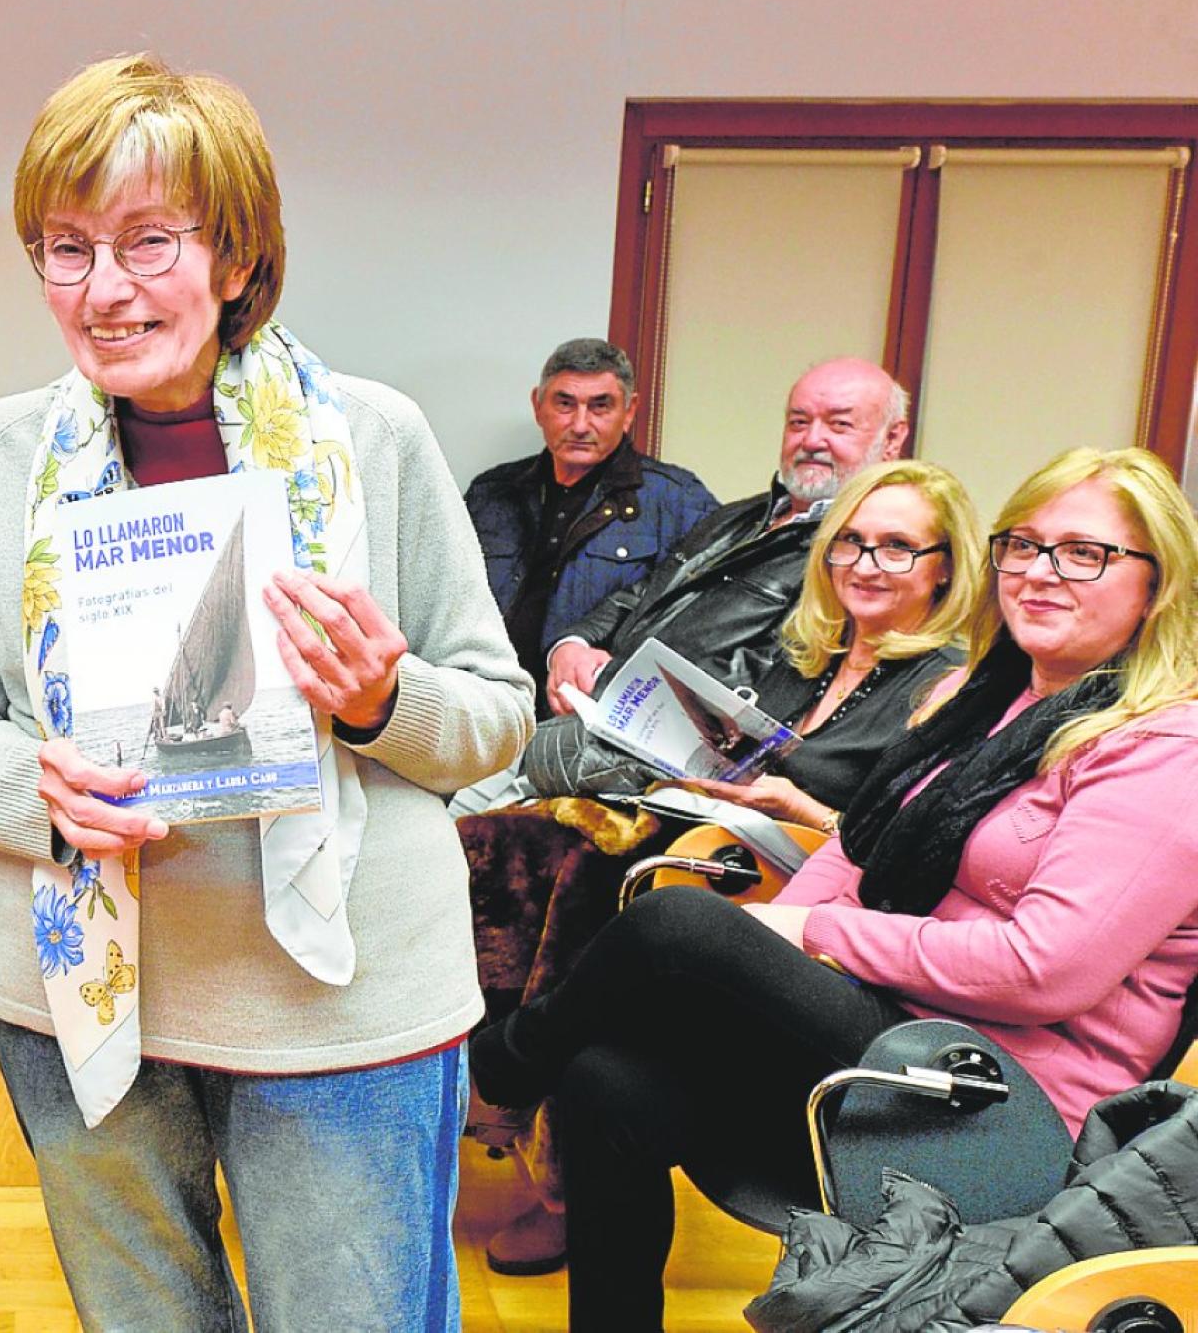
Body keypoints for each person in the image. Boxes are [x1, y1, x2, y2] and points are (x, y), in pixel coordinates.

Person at [0, 53, 532, 1332]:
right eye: (65, 249)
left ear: (237, 256)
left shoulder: (373, 437)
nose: (104, 289)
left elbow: (495, 717)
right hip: (74, 992)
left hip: (338, 1003)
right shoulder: (4, 454)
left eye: (148, 241)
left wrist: (378, 700)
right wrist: (37, 788)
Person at [469, 446, 1198, 1330]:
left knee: (679, 924)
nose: (1040, 573)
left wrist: (809, 936)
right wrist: (800, 921)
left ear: (1159, 584)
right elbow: (857, 846)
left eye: (1084, 554)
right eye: (1024, 546)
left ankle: (493, 1070)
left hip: (1000, 1101)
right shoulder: (987, 699)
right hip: (891, 1039)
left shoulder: (1163, 753)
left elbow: (1044, 970)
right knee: (605, 1083)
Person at [469, 457, 981, 1273]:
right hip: (701, 845)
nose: (865, 564)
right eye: (850, 542)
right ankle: (511, 1107)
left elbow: (908, 852)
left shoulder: (945, 685)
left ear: (945, 566)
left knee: (612, 894)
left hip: (783, 899)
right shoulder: (803, 653)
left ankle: (513, 1086)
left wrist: (801, 809)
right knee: (523, 852)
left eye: (896, 548)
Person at [526, 356, 911, 796]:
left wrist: (612, 680)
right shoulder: (739, 516)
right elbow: (644, 592)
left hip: (677, 759)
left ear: (892, 437)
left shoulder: (860, 554)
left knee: (509, 764)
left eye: (839, 426)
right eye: (798, 422)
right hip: (606, 714)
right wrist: (572, 646)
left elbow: (776, 674)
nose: (812, 440)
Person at [464, 338, 716, 708]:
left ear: (630, 411)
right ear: (538, 406)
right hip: (484, 708)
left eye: (601, 407)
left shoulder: (677, 500)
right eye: (565, 404)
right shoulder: (491, 493)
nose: (581, 425)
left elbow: (705, 617)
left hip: (589, 721)